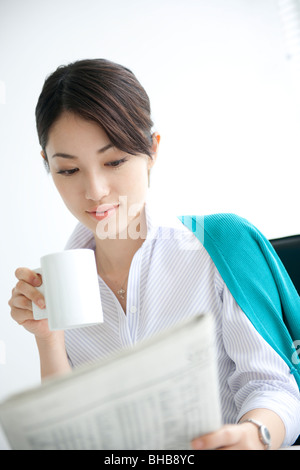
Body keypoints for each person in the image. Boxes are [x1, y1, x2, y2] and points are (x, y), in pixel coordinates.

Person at [8, 59, 300, 450]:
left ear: (152, 150)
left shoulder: (220, 245)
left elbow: (275, 386)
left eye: (114, 162)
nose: (94, 191)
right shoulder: (61, 286)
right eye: (68, 171)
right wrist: (48, 340)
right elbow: (73, 440)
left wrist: (254, 437)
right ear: (47, 166)